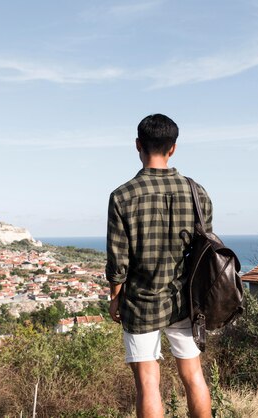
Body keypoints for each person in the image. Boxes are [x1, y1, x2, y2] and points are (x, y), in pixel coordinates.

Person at [106, 114, 213, 417]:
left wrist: (115, 297)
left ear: (138, 145)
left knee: (148, 383)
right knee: (193, 376)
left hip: (140, 301)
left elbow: (118, 260)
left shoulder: (122, 196)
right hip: (184, 299)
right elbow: (203, 252)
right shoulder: (198, 193)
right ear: (173, 148)